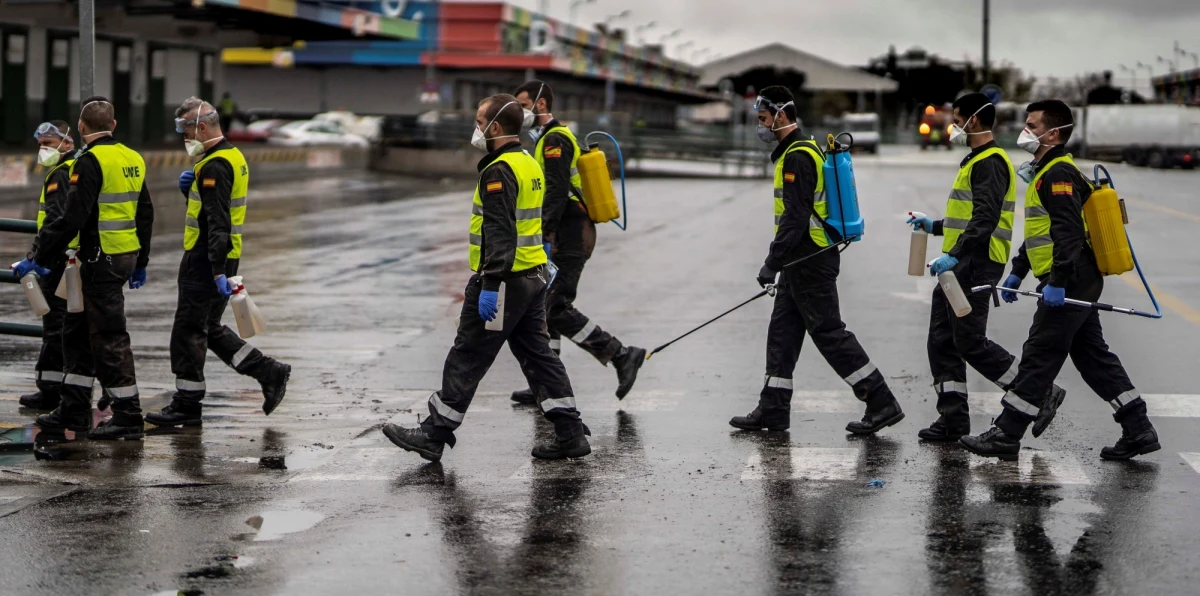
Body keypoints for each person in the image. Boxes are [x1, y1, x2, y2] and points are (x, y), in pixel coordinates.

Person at [382, 94, 591, 462]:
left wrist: (490, 284)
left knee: (469, 354)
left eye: (479, 122)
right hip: (532, 275)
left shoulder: (499, 171)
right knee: (539, 356)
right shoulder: (526, 161)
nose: (476, 129)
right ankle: (570, 432)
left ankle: (435, 433)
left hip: (505, 279)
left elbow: (499, 232)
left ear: (495, 127)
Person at [961, 99, 1159, 461]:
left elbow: (1068, 236)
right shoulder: (1047, 172)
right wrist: (1020, 267)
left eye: (1033, 126)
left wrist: (1058, 281)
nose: (1026, 131)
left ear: (1053, 133)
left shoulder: (1058, 175)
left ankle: (1007, 433)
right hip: (1072, 277)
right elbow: (1043, 230)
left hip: (1071, 278)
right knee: (1093, 358)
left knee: (1039, 354)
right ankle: (1138, 429)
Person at [729, 85, 904, 434]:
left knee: (828, 333)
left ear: (781, 114)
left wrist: (771, 263)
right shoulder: (798, 151)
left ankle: (881, 401)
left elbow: (795, 217)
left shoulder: (797, 156)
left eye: (763, 118)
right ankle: (773, 409)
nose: (760, 126)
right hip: (802, 257)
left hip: (810, 256)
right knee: (782, 333)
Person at [906, 92, 1064, 442]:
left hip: (976, 262)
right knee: (943, 341)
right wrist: (934, 226)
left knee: (969, 341)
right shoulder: (976, 159)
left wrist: (956, 255)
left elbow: (985, 220)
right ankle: (952, 420)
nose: (953, 124)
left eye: (957, 117)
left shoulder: (990, 162)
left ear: (973, 120)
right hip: (961, 262)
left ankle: (1038, 391)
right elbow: (968, 218)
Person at [144, 98, 291, 428]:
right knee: (207, 328)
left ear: (202, 127)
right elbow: (212, 210)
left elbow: (217, 220)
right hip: (221, 255)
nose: (184, 138)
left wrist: (216, 269)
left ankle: (186, 405)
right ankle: (268, 371)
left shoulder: (214, 165)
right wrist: (191, 190)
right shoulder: (231, 156)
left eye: (185, 130)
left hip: (206, 258)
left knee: (188, 331)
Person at [13, 96, 154, 440]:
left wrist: (39, 256)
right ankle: (73, 409)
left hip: (98, 260)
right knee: (74, 333)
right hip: (121, 258)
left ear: (80, 127)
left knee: (108, 338)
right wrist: (142, 261)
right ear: (114, 125)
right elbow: (145, 212)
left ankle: (128, 415)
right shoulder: (132, 158)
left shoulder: (88, 161)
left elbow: (71, 217)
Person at [510, 80, 646, 403]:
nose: (520, 112)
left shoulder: (556, 140)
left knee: (555, 306)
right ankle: (545, 382)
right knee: (543, 308)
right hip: (562, 233)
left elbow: (556, 192)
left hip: (570, 234)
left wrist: (543, 236)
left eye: (523, 105)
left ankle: (620, 354)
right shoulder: (546, 140)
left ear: (541, 105)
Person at [17, 121, 76, 411]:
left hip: (56, 260)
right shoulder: (71, 169)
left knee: (56, 325)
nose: (43, 149)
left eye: (49, 144)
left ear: (67, 143)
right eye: (40, 144)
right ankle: (55, 389)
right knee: (61, 325)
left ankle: (52, 393)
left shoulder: (61, 174)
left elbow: (55, 221)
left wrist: (36, 257)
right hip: (64, 258)